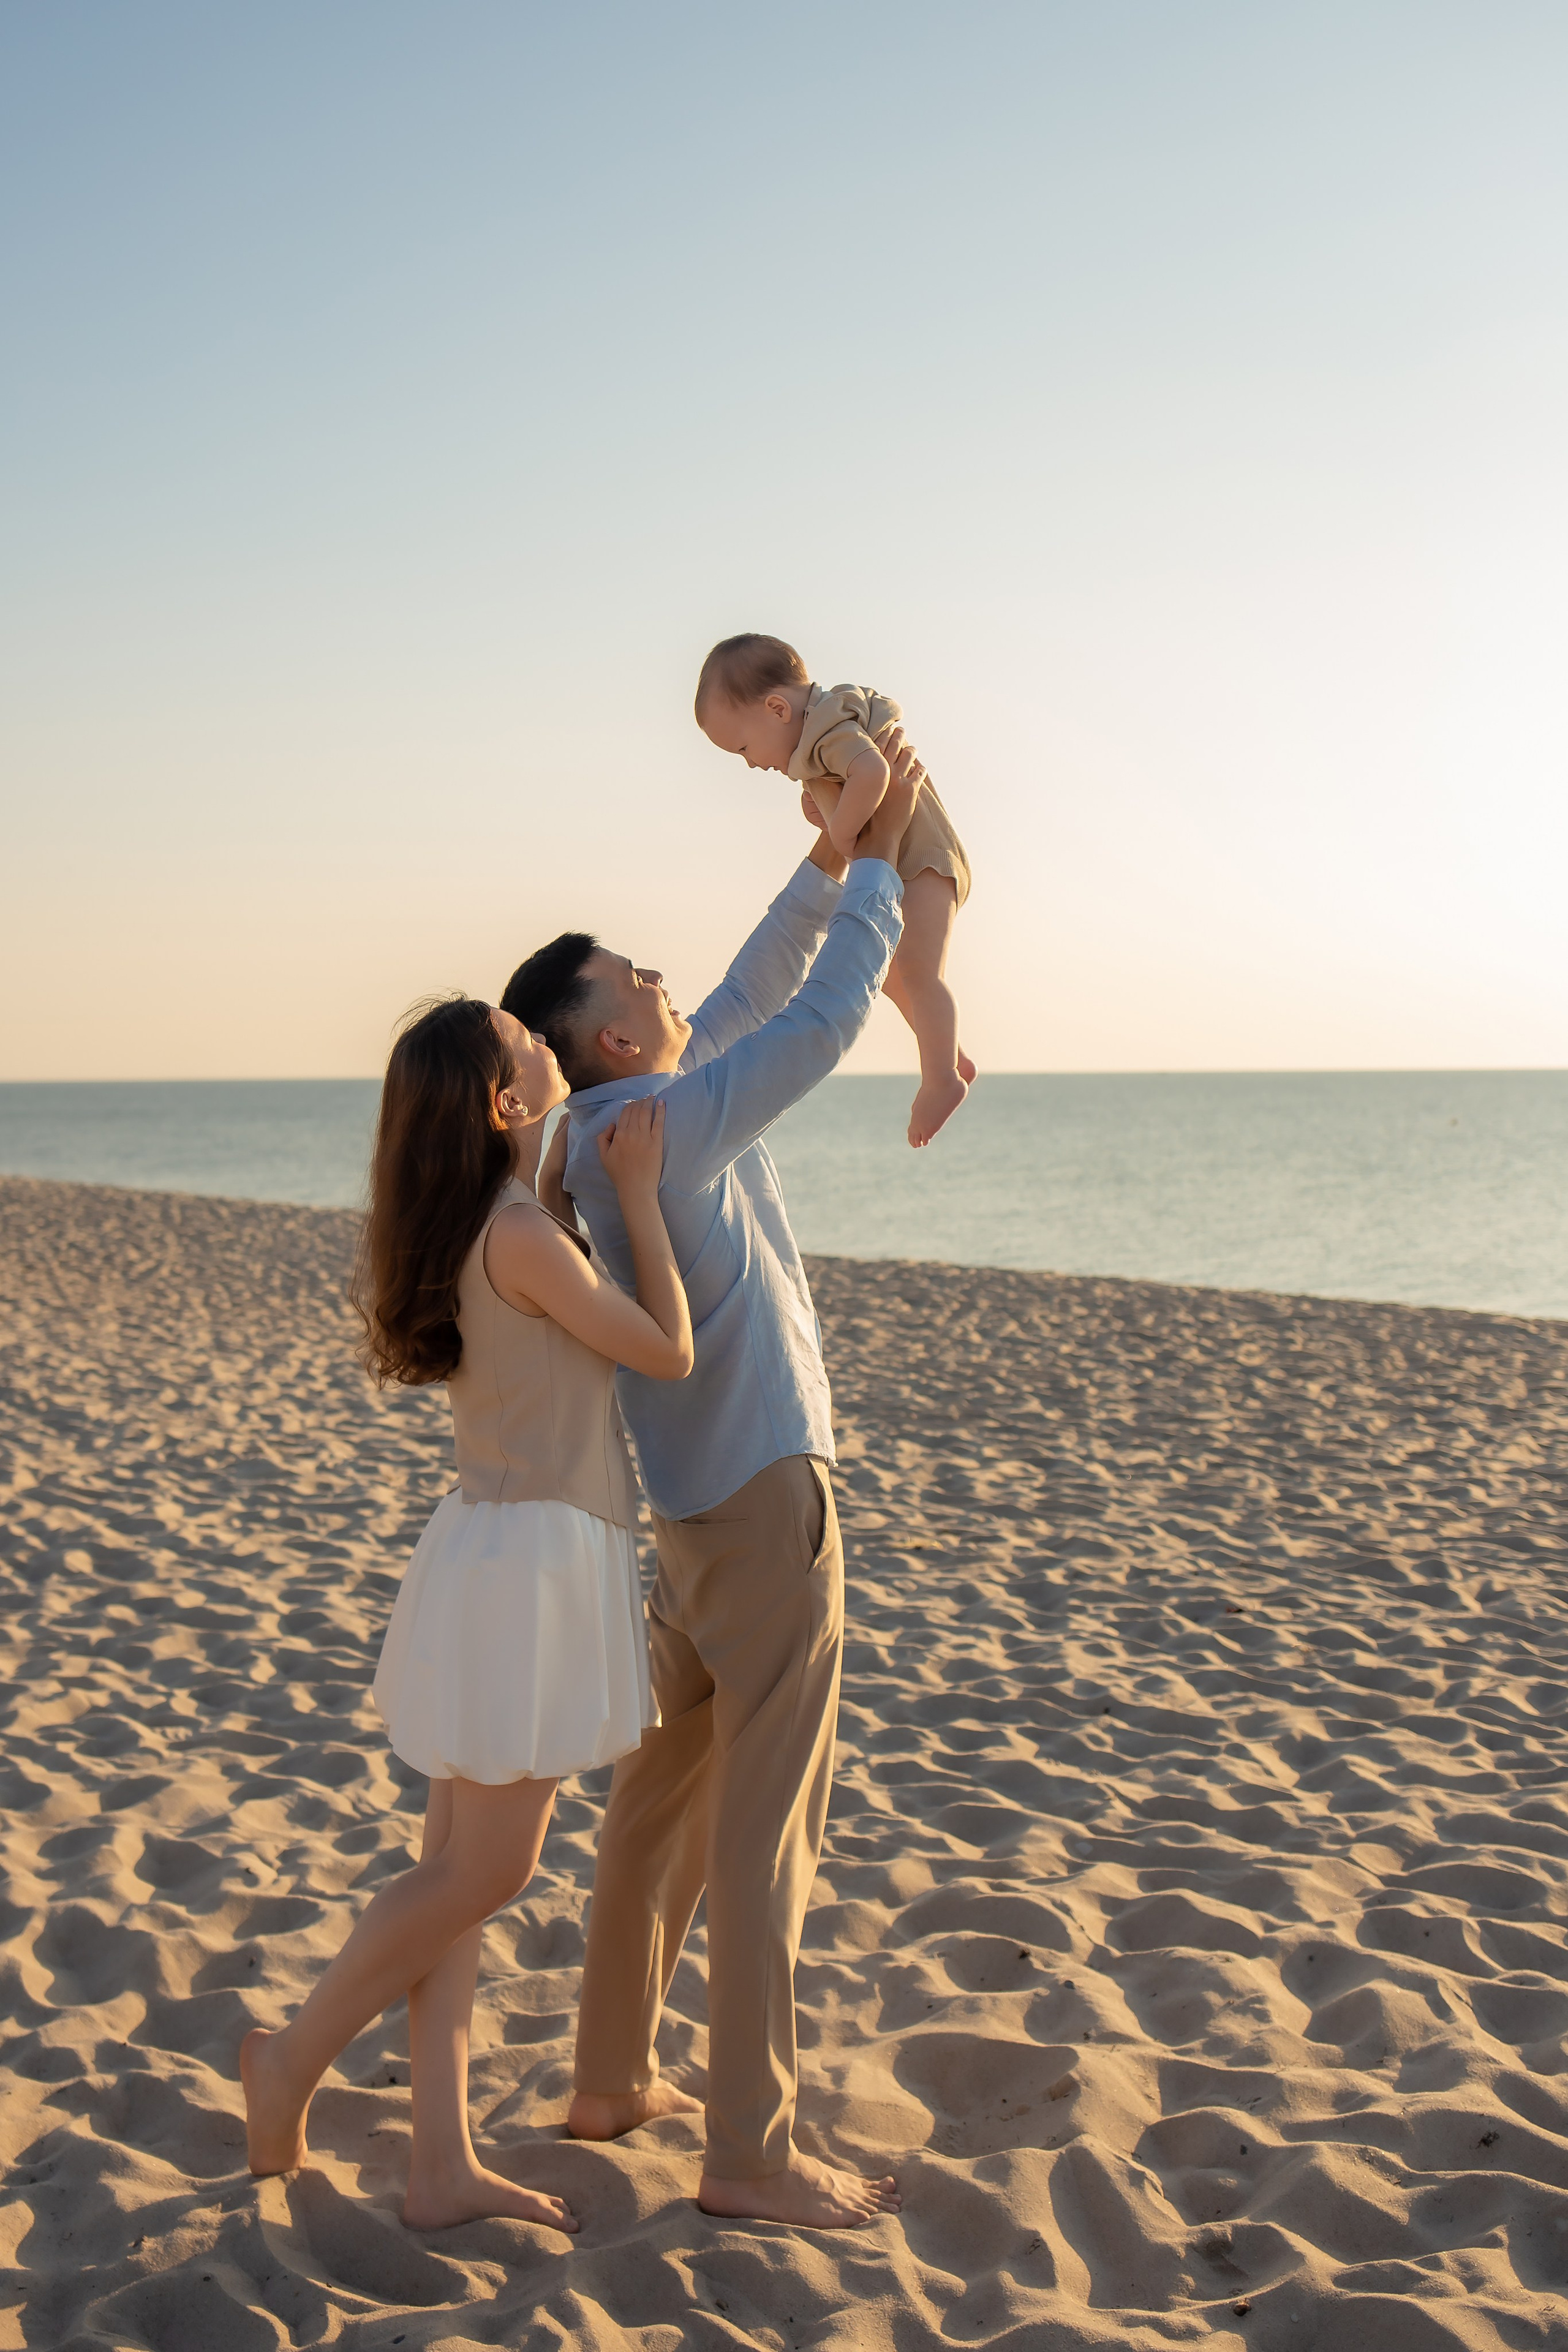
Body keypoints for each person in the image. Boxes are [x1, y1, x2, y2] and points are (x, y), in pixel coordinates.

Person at [498, 747, 922, 2230]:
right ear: (608, 1029)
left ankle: (609, 2077)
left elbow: (746, 990)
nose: (661, 973)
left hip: (687, 1515)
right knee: (764, 1830)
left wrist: (824, 858)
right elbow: (811, 1025)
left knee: (661, 1796)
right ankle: (748, 2151)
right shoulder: (666, 1121)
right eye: (635, 972)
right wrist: (880, 865)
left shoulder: (618, 1122)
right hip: (758, 1503)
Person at [240, 995, 693, 2233]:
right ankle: (291, 2057)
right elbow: (666, 1349)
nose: (541, 1037)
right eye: (522, 1040)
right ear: (503, 1101)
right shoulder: (520, 1233)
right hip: (530, 1567)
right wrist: (642, 1197)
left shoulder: (489, 1221)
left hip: (494, 1550)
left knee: (451, 1873)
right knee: (489, 1871)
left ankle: (438, 2164)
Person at [695, 633, 974, 1147]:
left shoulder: (826, 729)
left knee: (918, 972)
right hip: (914, 863)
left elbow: (871, 772)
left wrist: (844, 835)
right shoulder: (823, 740)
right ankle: (945, 1053)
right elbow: (853, 784)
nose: (751, 763)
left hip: (923, 862)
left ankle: (942, 1078)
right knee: (890, 977)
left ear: (777, 708)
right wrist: (826, 810)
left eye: (743, 747)